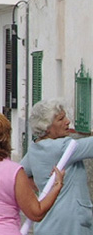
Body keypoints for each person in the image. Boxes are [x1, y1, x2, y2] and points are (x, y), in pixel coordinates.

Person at [21, 99, 93, 234]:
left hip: (46, 222)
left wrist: (38, 188)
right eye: (61, 119)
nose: (67, 121)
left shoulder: (34, 149)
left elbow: (20, 172)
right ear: (46, 127)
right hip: (70, 224)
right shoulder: (64, 147)